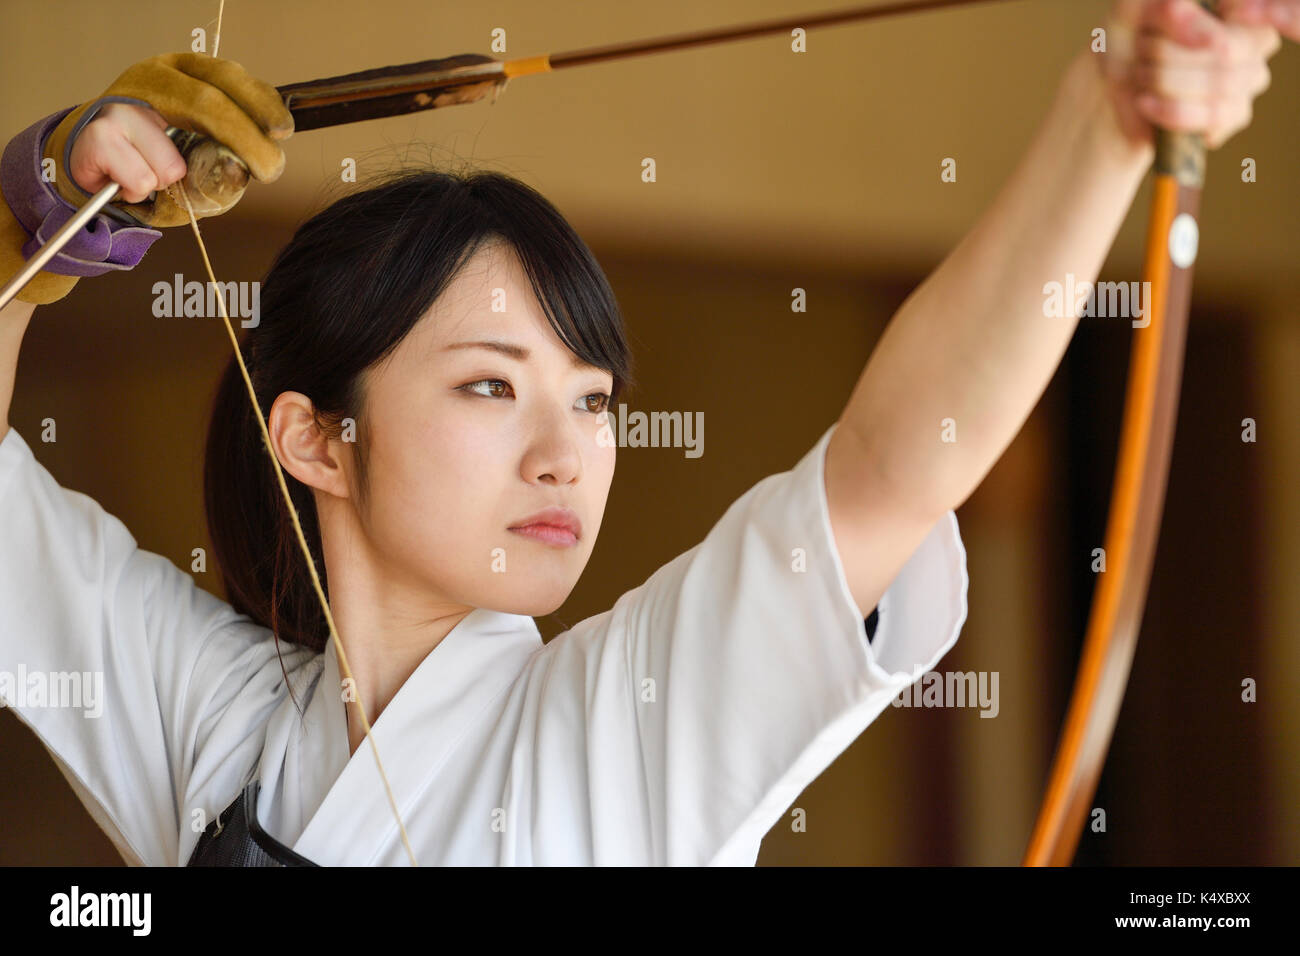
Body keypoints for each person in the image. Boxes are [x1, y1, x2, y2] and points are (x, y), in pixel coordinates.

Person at [0, 0, 1291, 866]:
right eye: (493, 387)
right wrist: (45, 209)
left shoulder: (624, 720)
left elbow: (892, 469)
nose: (568, 451)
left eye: (596, 400)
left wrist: (1108, 114)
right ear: (318, 442)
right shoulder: (213, 716)